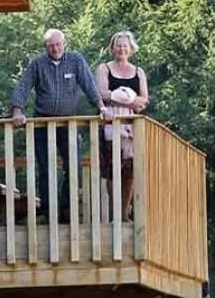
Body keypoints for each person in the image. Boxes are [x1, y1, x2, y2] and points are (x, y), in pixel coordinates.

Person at [9, 28, 103, 221]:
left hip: (68, 122)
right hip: (42, 123)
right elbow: (23, 86)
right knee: (45, 168)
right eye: (51, 45)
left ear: (64, 44)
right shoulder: (37, 64)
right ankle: (48, 211)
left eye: (58, 44)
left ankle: (67, 209)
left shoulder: (75, 60)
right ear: (46, 47)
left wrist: (101, 106)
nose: (55, 48)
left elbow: (89, 84)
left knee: (73, 166)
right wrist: (17, 109)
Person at [95, 31, 150, 214]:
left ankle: (124, 213)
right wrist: (128, 100)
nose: (122, 49)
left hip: (131, 124)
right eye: (118, 45)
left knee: (130, 169)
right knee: (113, 169)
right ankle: (115, 212)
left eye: (125, 45)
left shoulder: (138, 71)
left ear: (131, 48)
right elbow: (102, 94)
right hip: (110, 121)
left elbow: (144, 100)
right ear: (112, 48)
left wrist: (132, 102)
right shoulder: (104, 68)